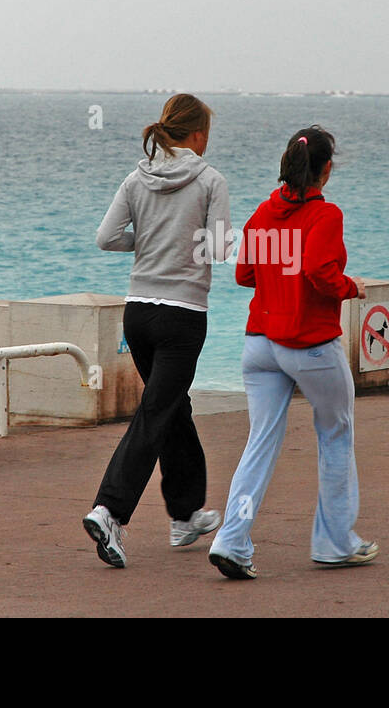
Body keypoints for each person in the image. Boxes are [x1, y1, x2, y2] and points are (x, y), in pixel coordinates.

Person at [207, 125, 377, 580]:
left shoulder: (263, 213)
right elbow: (322, 273)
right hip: (310, 346)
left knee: (259, 443)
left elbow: (244, 274)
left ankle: (231, 539)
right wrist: (351, 287)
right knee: (335, 433)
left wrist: (278, 275)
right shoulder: (326, 216)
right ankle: (335, 542)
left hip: (260, 344)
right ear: (325, 169)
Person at [82, 94, 231, 568]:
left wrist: (146, 242)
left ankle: (185, 513)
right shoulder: (210, 180)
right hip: (183, 315)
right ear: (199, 135)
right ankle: (110, 510)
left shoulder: (136, 177)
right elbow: (221, 249)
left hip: (139, 313)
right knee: (157, 411)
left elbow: (106, 238)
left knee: (171, 407)